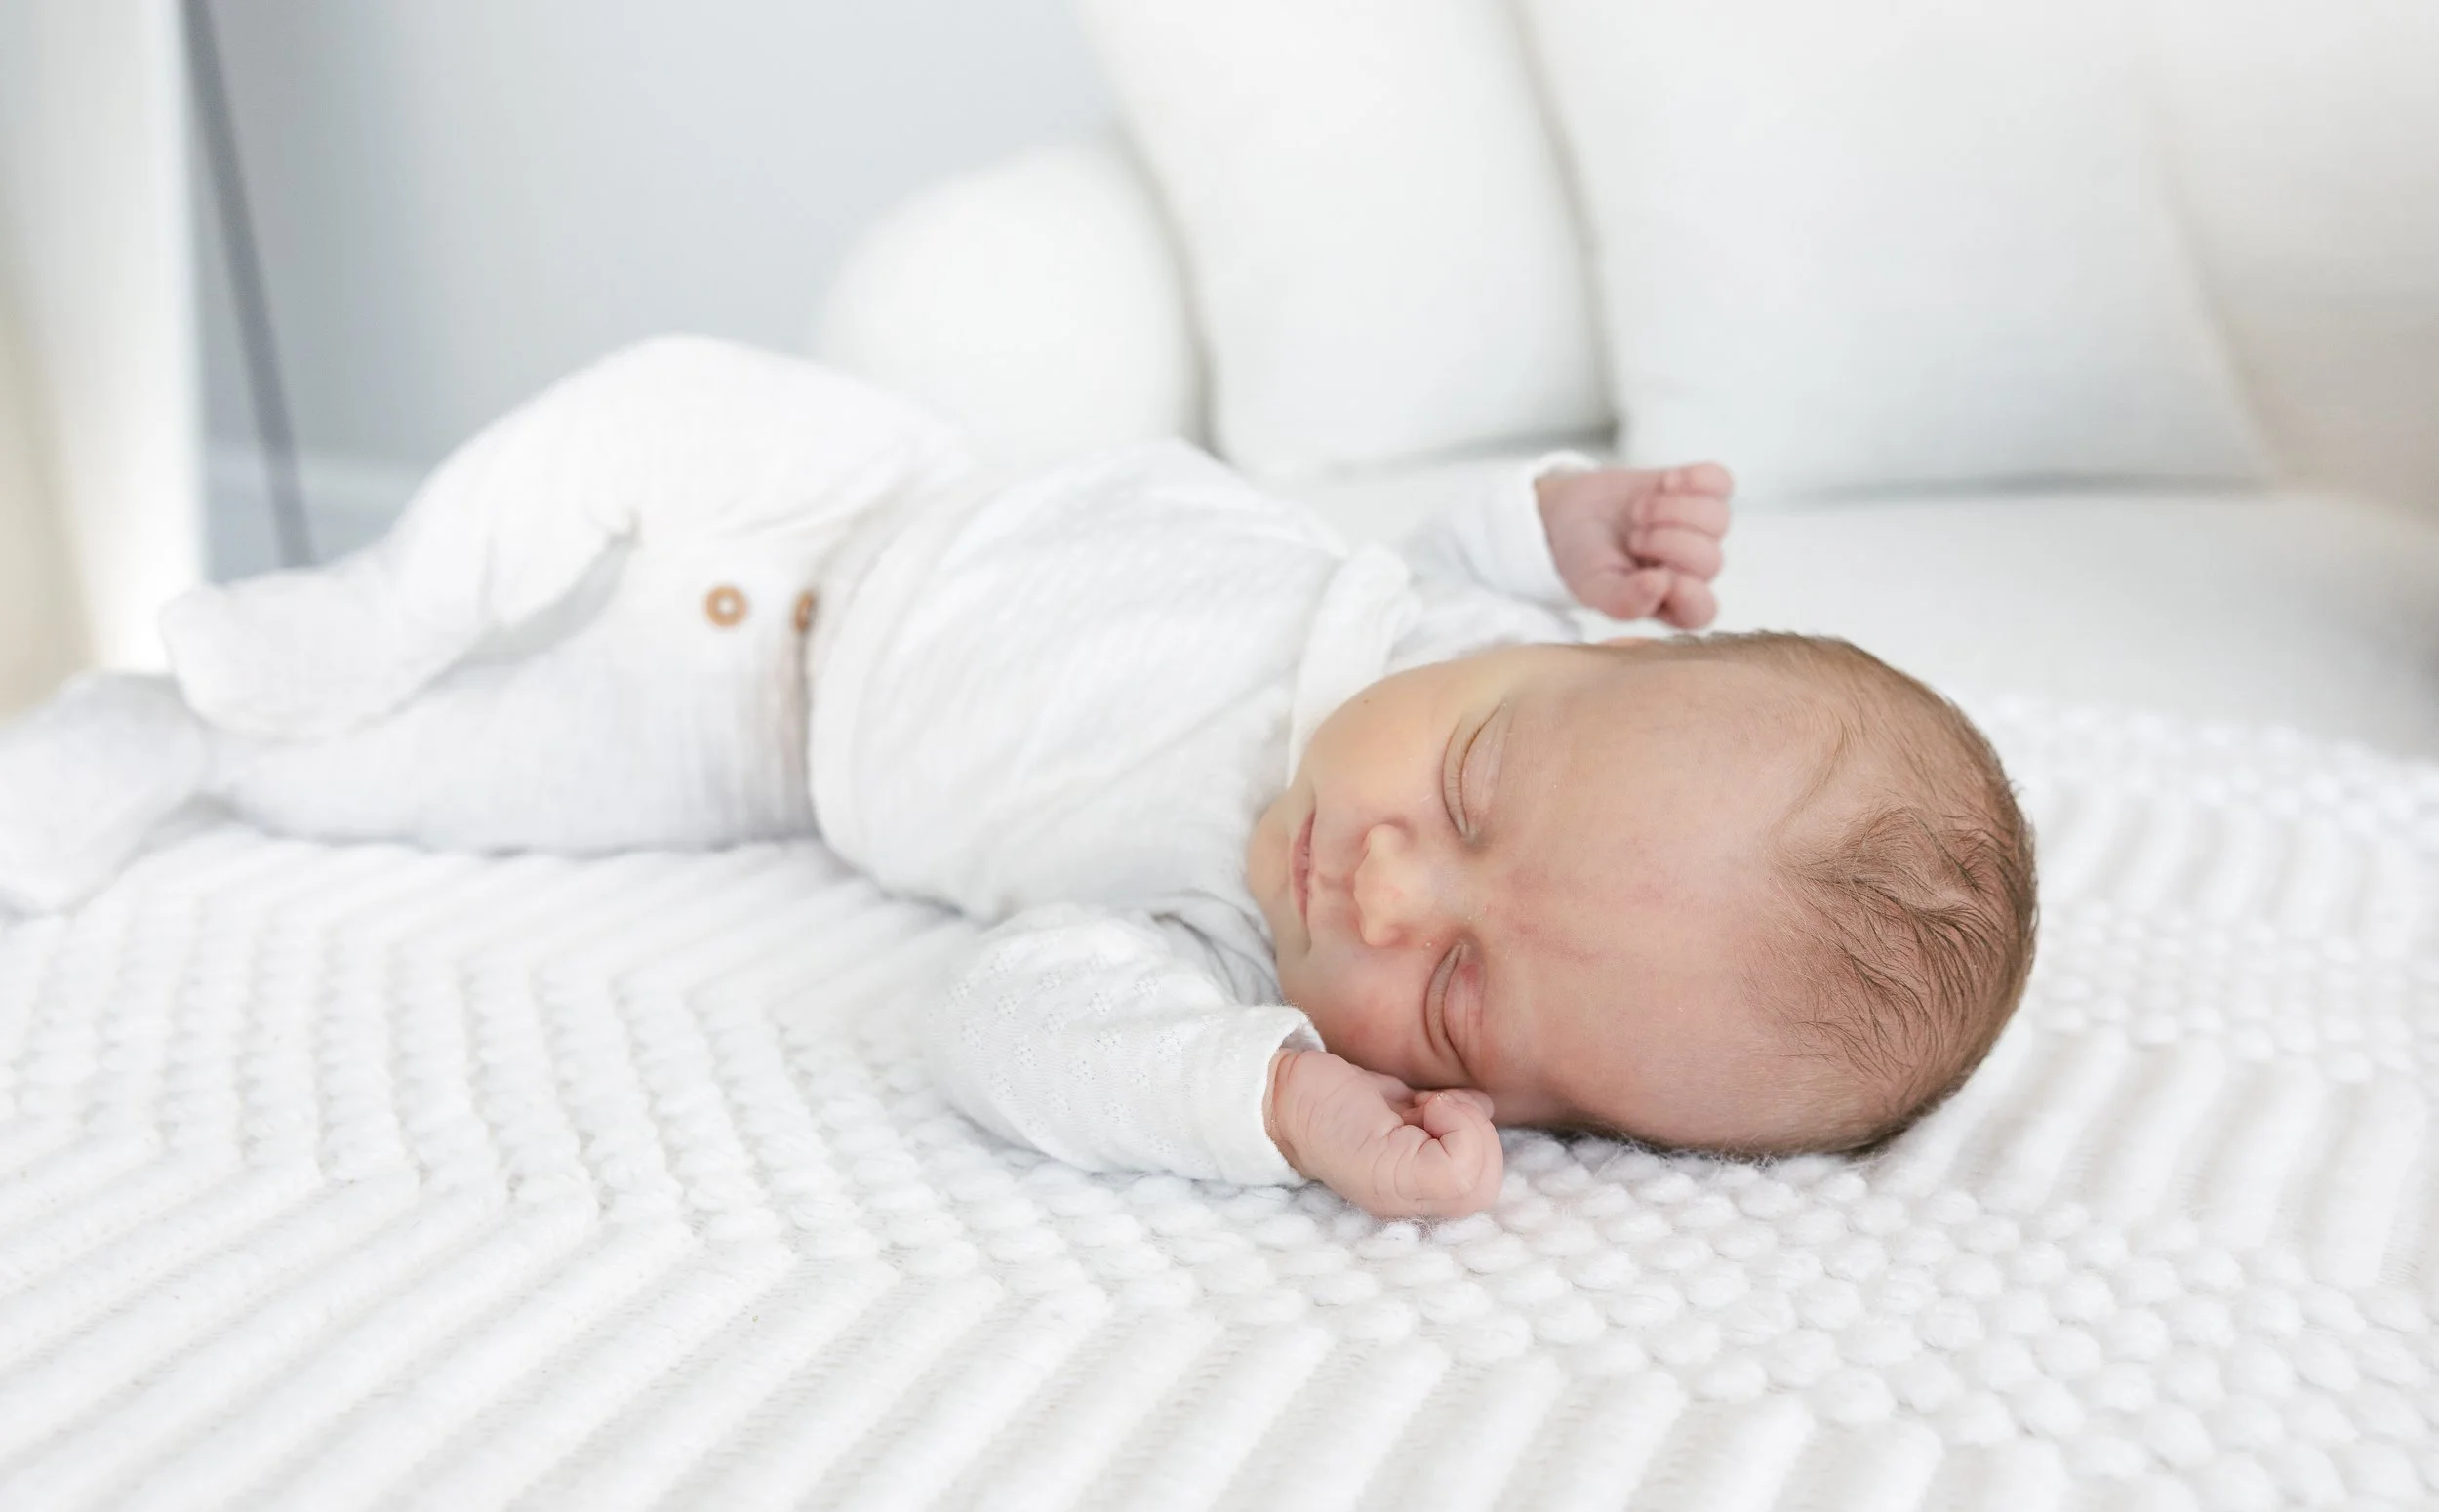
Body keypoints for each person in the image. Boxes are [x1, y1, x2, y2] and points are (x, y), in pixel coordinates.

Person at [0, 337, 2036, 1219]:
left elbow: (1008, 1029)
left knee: (410, 778)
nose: (1389, 890)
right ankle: (357, 602)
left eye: (1457, 997)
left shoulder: (1205, 945)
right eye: (1480, 789)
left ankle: (160, 734)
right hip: (859, 480)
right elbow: (1456, 561)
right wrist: (1554, 519)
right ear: (1544, 662)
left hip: (745, 746)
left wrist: (1274, 1103)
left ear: (1486, 1096)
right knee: (613, 425)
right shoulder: (1412, 631)